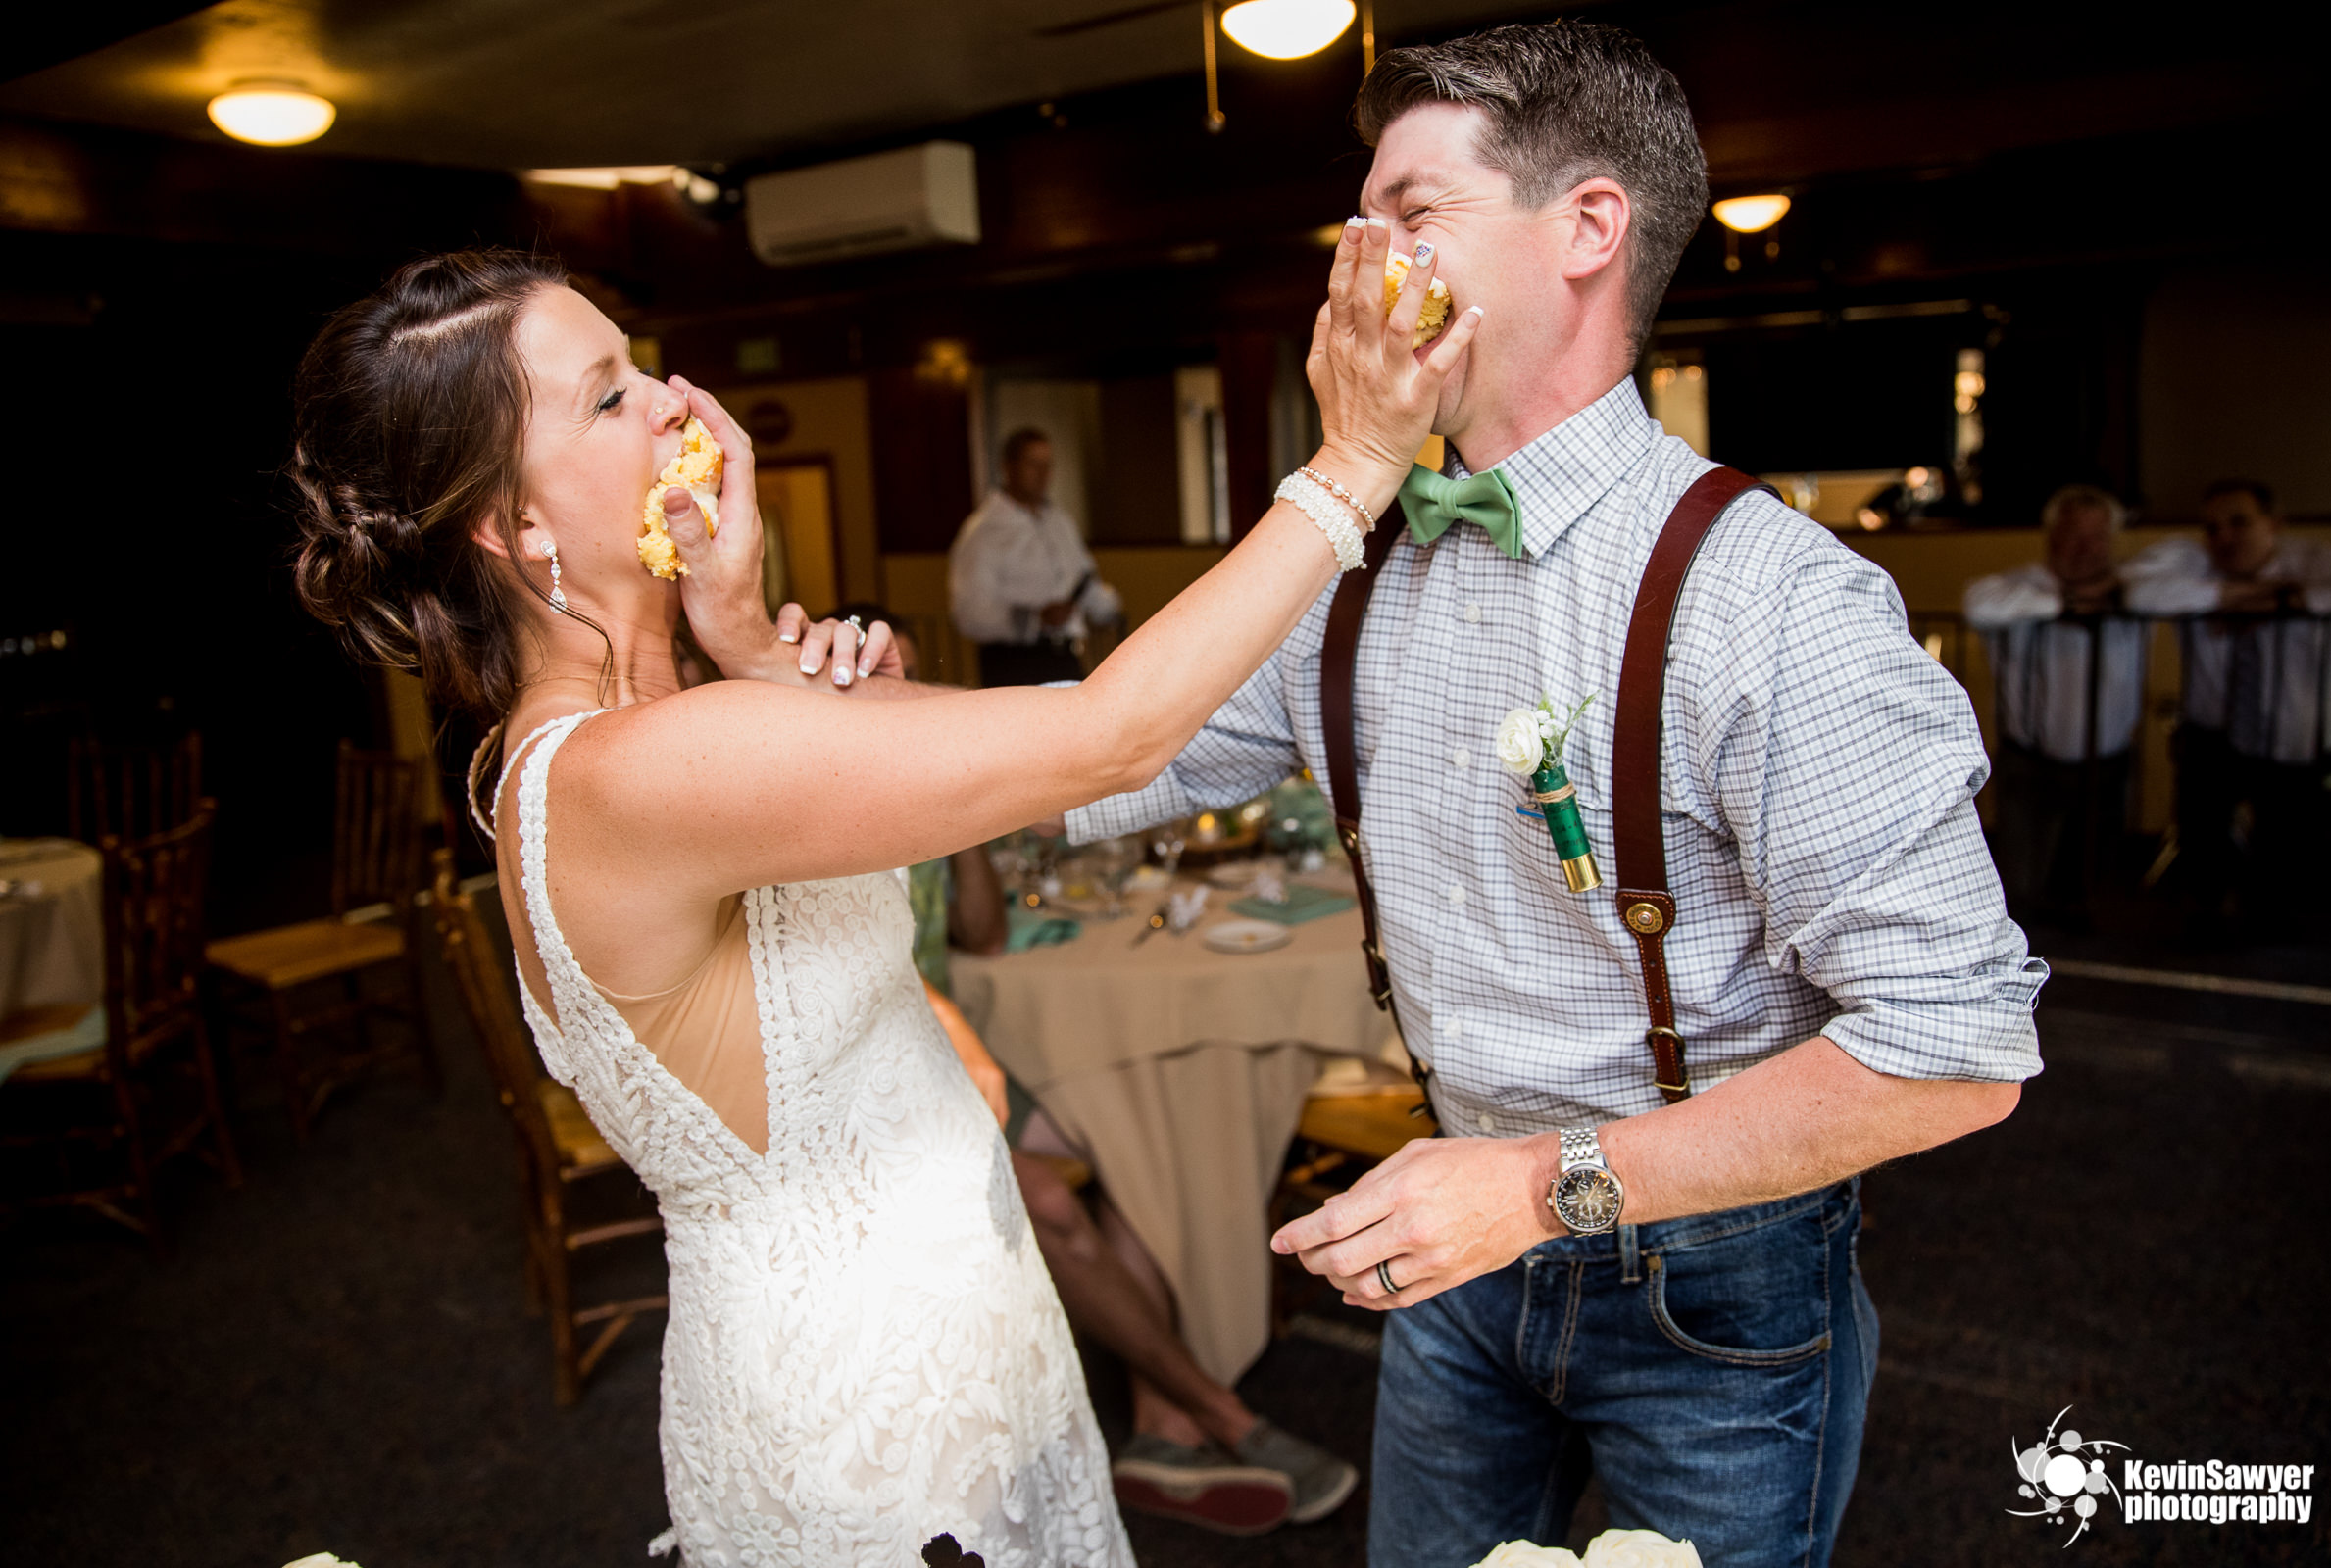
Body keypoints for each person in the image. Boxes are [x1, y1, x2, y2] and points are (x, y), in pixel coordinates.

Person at [285, 236, 1468, 1566]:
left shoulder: (663, 731)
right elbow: (1112, 737)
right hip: (861, 1421)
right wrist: (1360, 462)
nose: (678, 403)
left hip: (965, 1330)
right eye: (611, 396)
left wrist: (742, 632)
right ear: (521, 531)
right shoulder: (621, 773)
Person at [1059, 23, 2042, 1568]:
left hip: (1711, 1277)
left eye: (1410, 211)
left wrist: (1538, 1187)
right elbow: (1096, 761)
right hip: (1450, 1245)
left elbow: (1958, 1049)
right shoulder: (1345, 567)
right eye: (1356, 215)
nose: (1353, 257)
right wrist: (786, 691)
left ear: (1589, 228)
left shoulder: (1776, 601)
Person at [902, 821, 1358, 1536]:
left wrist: (961, 823)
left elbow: (983, 937)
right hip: (893, 1074)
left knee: (1131, 1131)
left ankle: (1160, 1426)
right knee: (1050, 1202)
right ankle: (1218, 1409)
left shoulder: (916, 807)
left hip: (950, 1054)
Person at [2123, 478, 2331, 921]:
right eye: (2212, 528)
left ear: (2274, 524)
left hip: (2292, 736)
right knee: (2203, 833)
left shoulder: (2316, 562)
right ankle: (2205, 916)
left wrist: (2295, 597)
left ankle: (2275, 923)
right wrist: (2245, 596)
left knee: (2287, 842)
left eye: (2238, 523)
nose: (2223, 537)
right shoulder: (2199, 567)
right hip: (2212, 732)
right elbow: (2140, 591)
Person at [1961, 485, 2149, 919]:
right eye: (2073, 536)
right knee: (2021, 884)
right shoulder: (2015, 586)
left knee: (2095, 887)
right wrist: (2070, 602)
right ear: (2051, 538)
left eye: (2097, 537)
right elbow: (1979, 604)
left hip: (2109, 761)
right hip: (2031, 762)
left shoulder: (2132, 588)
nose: (2085, 549)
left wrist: (2106, 595)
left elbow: (2168, 592)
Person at [950, 429, 1125, 686]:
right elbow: (969, 614)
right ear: (1008, 467)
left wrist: (1107, 605)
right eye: (1033, 464)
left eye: (1047, 465)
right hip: (1016, 662)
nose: (1043, 474)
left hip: (1066, 655)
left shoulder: (1060, 522)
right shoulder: (983, 532)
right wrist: (1036, 618)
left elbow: (1084, 580)